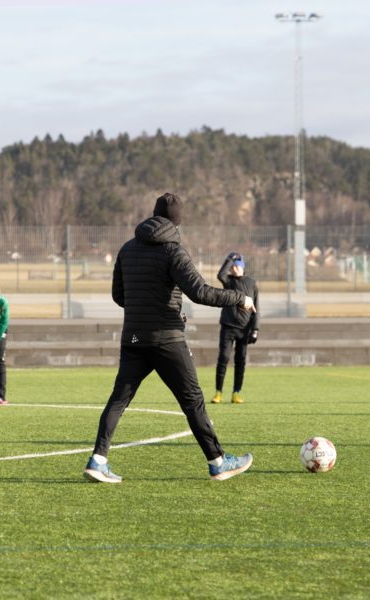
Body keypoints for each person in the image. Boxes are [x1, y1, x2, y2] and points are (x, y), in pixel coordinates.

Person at [84, 193, 256, 483]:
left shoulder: (127, 248)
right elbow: (200, 292)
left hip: (134, 338)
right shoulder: (174, 251)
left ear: (152, 215)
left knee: (119, 399)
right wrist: (239, 297)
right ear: (177, 222)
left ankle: (97, 460)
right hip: (167, 339)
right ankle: (217, 462)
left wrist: (143, 308)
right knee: (193, 402)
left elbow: (118, 295)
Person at [211, 252, 259, 404]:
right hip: (228, 326)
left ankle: (236, 392)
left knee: (241, 361)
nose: (235, 269)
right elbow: (220, 274)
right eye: (233, 266)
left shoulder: (251, 283)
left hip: (244, 329)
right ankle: (218, 392)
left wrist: (255, 329)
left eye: (237, 266)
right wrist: (229, 259)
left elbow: (256, 307)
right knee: (223, 358)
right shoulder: (229, 281)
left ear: (243, 268)